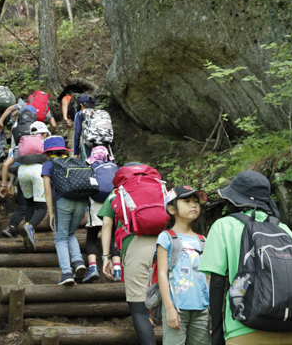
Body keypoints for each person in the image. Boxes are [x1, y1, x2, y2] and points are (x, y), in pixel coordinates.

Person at [199, 170, 292, 345]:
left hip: (245, 330)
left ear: (235, 200)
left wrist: (216, 334)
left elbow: (217, 284)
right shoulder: (285, 230)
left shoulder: (224, 226)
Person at [100, 162, 156, 345]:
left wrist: (106, 257)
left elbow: (107, 225)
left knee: (138, 306)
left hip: (135, 246)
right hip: (166, 243)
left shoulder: (116, 193)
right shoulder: (157, 188)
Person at [157, 186, 210, 345]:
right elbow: (162, 274)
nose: (193, 205)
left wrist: (211, 309)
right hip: (177, 307)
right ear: (172, 209)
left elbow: (208, 276)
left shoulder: (202, 240)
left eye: (196, 202)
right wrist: (169, 308)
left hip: (201, 309)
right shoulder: (166, 237)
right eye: (186, 201)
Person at [41, 136, 87, 285]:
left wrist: (51, 213)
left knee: (60, 238)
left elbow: (47, 191)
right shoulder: (75, 162)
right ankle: (78, 261)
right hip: (81, 202)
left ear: (48, 153)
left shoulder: (49, 165)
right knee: (70, 233)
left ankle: (67, 272)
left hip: (64, 202)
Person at [0, 122, 50, 250]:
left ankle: (28, 234)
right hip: (38, 172)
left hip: (22, 172)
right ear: (43, 134)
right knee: (43, 207)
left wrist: (5, 185)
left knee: (30, 204)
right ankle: (30, 227)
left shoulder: (21, 145)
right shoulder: (45, 144)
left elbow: (5, 165)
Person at [82, 146, 121, 284]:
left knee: (91, 238)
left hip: (96, 206)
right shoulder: (114, 167)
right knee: (113, 237)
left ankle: (93, 268)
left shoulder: (90, 168)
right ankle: (117, 270)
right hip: (113, 204)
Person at [72, 95, 96, 160]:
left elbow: (77, 132)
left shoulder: (79, 114)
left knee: (87, 165)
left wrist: (76, 151)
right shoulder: (98, 113)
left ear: (81, 105)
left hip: (87, 144)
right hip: (102, 142)